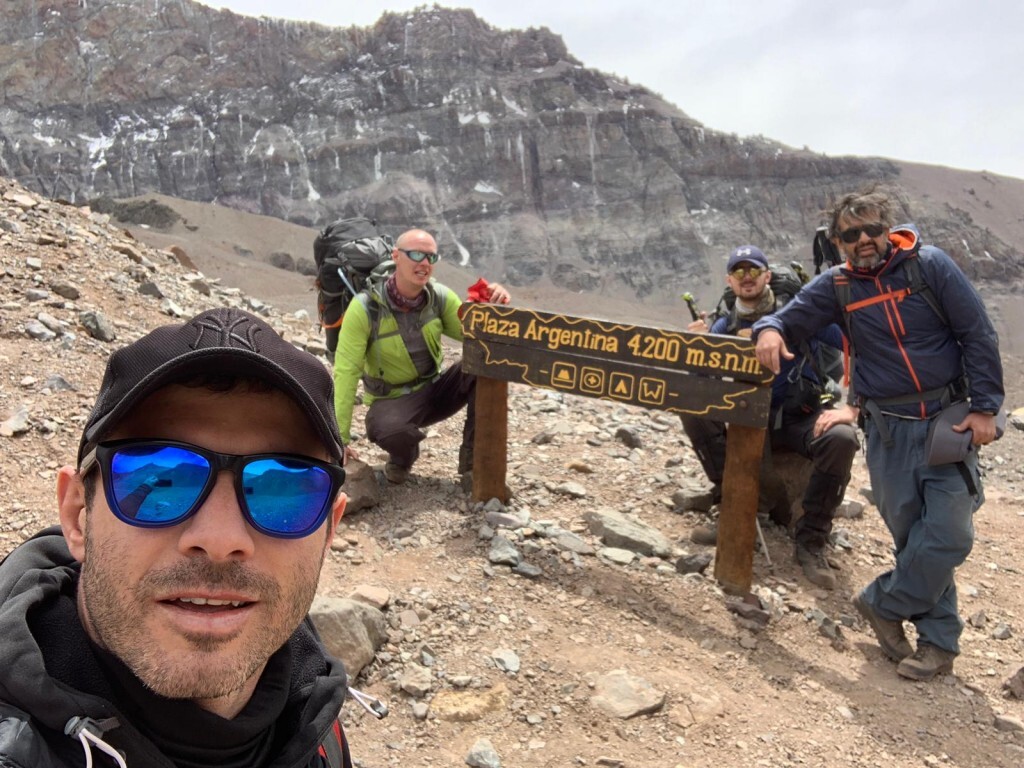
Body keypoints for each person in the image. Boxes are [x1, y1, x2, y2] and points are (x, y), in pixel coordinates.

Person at [0, 307, 353, 767]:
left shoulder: (314, 712)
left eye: (281, 489)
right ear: (78, 515)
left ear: (330, 527)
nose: (221, 539)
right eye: (160, 474)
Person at [754, 190, 1004, 681]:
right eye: (851, 234)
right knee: (913, 537)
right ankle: (938, 645)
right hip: (887, 430)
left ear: (888, 229)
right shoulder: (837, 285)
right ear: (838, 241)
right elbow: (789, 318)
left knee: (950, 533)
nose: (864, 240)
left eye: (872, 229)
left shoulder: (928, 266)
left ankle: (881, 602)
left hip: (946, 422)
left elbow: (978, 333)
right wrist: (769, 328)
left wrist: (985, 408)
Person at [681, 245, 859, 590]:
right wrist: (697, 348)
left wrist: (853, 403)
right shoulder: (724, 323)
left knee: (842, 439)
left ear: (767, 276)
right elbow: (705, 381)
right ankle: (730, 506)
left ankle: (811, 539)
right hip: (748, 419)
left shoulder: (799, 316)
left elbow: (853, 341)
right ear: (729, 281)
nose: (747, 278)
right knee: (692, 407)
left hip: (799, 417)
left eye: (754, 271)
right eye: (739, 272)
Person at [333, 228, 510, 484]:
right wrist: (339, 439)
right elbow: (346, 372)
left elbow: (477, 335)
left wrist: (494, 306)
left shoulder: (439, 297)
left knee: (483, 365)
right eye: (416, 255)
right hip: (392, 399)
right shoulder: (364, 308)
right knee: (387, 430)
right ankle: (404, 457)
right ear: (396, 256)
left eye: (431, 257)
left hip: (434, 389)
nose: (424, 263)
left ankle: (474, 465)